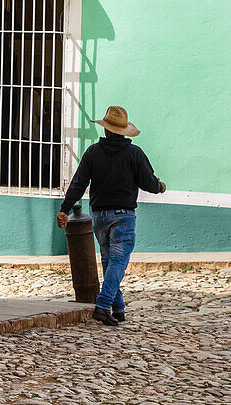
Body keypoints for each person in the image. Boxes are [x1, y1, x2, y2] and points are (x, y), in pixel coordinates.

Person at [56, 106, 166, 326]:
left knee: (109, 261)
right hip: (122, 217)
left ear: (105, 130)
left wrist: (65, 209)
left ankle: (118, 308)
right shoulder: (135, 154)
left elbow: (79, 183)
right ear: (124, 131)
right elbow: (148, 182)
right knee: (117, 262)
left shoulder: (93, 152)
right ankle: (103, 305)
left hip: (99, 217)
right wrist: (160, 186)